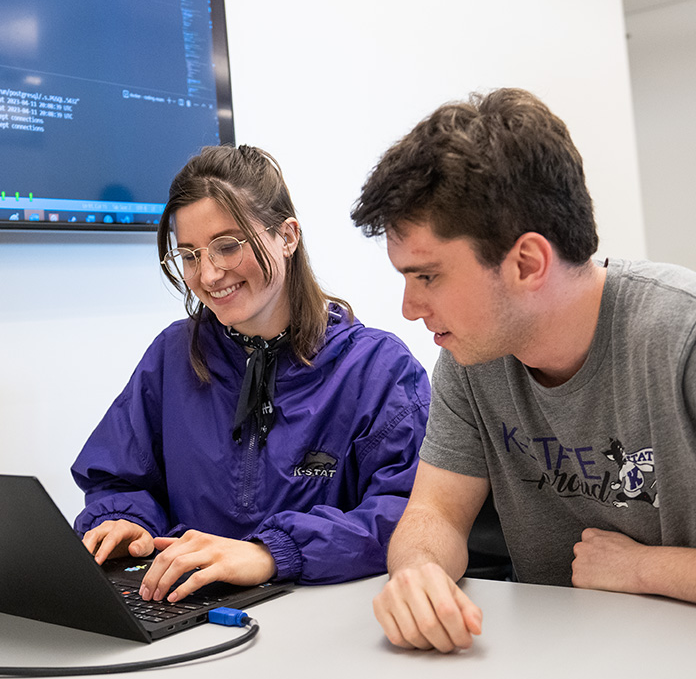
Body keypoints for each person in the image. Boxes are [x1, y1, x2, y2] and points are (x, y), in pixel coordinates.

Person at [349, 88, 696, 652]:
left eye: (427, 277)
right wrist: (417, 573)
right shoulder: (470, 356)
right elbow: (435, 513)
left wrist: (647, 570)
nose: (409, 307)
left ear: (527, 263)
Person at [72, 144, 429, 604]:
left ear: (288, 236)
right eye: (189, 254)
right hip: (185, 606)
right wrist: (124, 521)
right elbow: (119, 477)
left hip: (323, 622)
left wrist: (270, 553)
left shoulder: (379, 369)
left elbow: (408, 514)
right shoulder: (172, 355)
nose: (209, 274)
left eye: (227, 246)